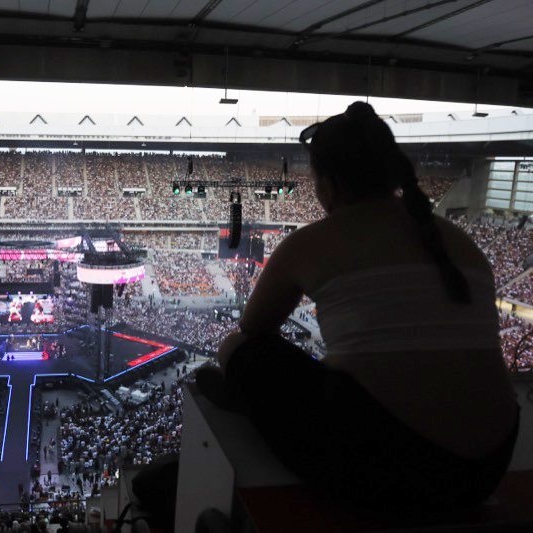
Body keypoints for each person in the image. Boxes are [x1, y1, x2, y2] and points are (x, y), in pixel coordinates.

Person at [199, 101, 520, 511]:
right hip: (491, 464)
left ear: (329, 185)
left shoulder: (309, 244)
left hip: (397, 470)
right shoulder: (462, 244)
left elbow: (252, 330)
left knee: (239, 351)